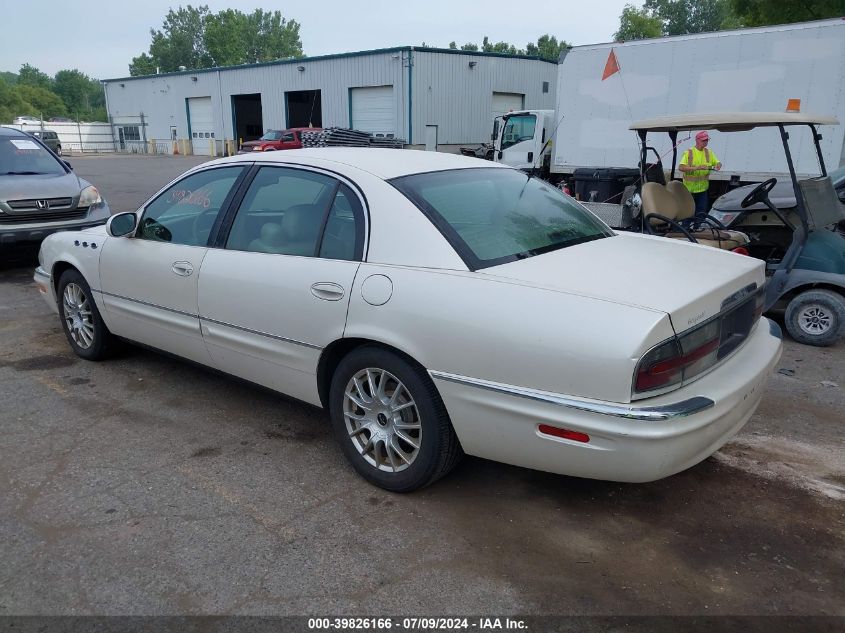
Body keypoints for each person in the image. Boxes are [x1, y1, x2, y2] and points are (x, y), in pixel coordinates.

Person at [679, 131, 721, 218]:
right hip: (689, 190)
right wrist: (697, 168)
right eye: (704, 140)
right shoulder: (689, 152)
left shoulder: (709, 152)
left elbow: (718, 162)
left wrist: (718, 165)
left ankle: (697, 229)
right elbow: (681, 167)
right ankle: (686, 229)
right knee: (688, 213)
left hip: (703, 190)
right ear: (697, 140)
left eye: (707, 140)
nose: (706, 142)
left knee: (701, 213)